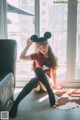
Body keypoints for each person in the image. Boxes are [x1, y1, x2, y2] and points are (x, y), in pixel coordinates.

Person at [9, 32, 60, 118]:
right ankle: (16, 103)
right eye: (40, 48)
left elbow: (54, 73)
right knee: (35, 75)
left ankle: (50, 91)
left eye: (44, 46)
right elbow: (21, 57)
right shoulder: (36, 55)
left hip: (47, 84)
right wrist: (28, 45)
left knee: (37, 70)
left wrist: (55, 85)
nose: (42, 49)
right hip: (37, 85)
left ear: (48, 45)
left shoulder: (54, 58)